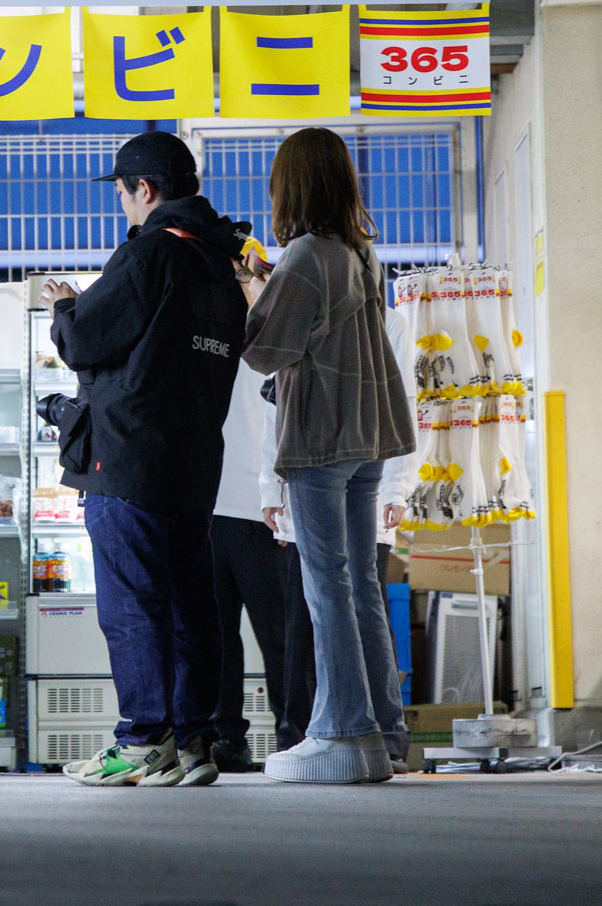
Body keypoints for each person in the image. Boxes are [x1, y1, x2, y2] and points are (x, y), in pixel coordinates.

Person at [43, 131, 249, 788]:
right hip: (194, 462)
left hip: (128, 459)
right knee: (191, 605)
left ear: (146, 189)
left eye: (123, 192)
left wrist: (62, 306)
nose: (123, 204)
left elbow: (83, 341)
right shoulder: (220, 263)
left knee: (132, 605)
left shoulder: (150, 253)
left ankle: (141, 740)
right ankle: (194, 741)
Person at [242, 128, 414, 785]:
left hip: (322, 438)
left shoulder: (306, 254)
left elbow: (266, 351)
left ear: (291, 186)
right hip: (368, 437)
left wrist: (252, 292)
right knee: (359, 583)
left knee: (326, 584)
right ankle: (377, 734)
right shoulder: (359, 252)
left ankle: (339, 729)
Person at [267, 302, 418, 768]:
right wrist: (269, 486)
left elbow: (403, 400)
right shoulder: (358, 313)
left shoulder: (360, 314)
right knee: (331, 603)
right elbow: (278, 400)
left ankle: (352, 731)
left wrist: (398, 486)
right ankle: (360, 733)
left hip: (334, 465)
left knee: (341, 596)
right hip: (341, 464)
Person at [208, 238, 296, 767]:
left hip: (264, 509)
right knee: (216, 639)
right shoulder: (205, 336)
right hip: (207, 507)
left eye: (248, 276)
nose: (240, 285)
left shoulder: (277, 336)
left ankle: (293, 736)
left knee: (279, 636)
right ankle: (227, 739)